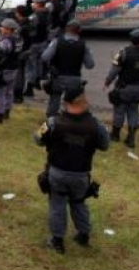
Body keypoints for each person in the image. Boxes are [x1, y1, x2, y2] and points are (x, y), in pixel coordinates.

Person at [34, 91, 110, 253]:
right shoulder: (96, 125)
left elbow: (38, 139)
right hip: (81, 174)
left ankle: (57, 240)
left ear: (66, 103)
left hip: (57, 172)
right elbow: (105, 145)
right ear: (85, 103)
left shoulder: (53, 122)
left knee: (57, 204)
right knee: (78, 202)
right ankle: (83, 234)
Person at [104, 29, 139, 149]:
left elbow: (114, 70)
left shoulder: (124, 53)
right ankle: (131, 138)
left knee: (119, 110)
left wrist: (107, 82)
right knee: (133, 110)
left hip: (124, 88)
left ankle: (115, 135)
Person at [41, 20, 95, 117]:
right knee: (72, 101)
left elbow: (45, 57)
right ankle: (69, 120)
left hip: (58, 77)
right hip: (74, 78)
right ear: (79, 31)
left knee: (54, 100)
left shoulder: (57, 41)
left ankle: (51, 121)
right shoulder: (83, 45)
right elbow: (90, 65)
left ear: (66, 29)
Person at [0, 19, 23, 124]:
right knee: (9, 91)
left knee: (0, 92)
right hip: (14, 67)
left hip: (5, 69)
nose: (1, 29)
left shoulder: (6, 41)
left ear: (8, 29)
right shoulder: (19, 39)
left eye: (2, 27)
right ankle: (7, 112)